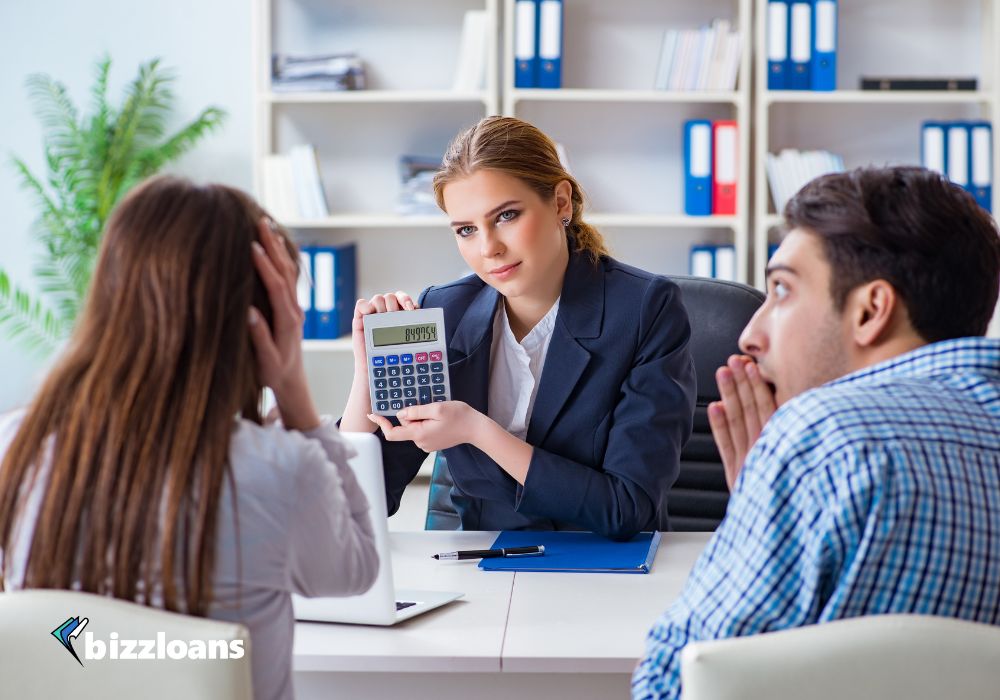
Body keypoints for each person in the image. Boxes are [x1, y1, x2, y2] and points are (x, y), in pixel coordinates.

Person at [0, 176, 378, 700]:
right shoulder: (279, 470)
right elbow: (357, 571)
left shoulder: (17, 444)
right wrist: (294, 391)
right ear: (265, 320)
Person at [632, 165, 1000, 699]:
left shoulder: (820, 440)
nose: (750, 333)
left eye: (782, 290)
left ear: (871, 310)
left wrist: (766, 494)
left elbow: (673, 685)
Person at [340, 116, 697, 539]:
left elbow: (627, 510)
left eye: (506, 215)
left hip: (604, 567)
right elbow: (354, 507)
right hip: (482, 567)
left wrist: (478, 431)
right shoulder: (446, 311)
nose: (488, 247)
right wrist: (366, 375)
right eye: (467, 230)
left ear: (561, 202)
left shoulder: (645, 310)